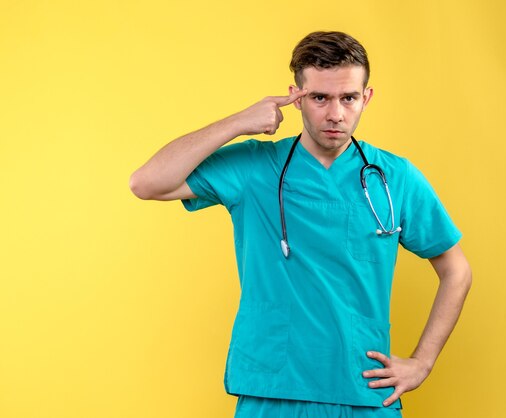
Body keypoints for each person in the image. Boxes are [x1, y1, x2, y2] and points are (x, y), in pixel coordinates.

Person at [130, 31, 472, 418]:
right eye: (319, 98)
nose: (335, 114)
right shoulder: (254, 167)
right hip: (272, 391)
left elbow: (456, 270)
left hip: (362, 390)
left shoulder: (394, 179)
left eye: (349, 98)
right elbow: (146, 182)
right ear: (296, 96)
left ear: (367, 97)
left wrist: (422, 362)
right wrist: (240, 122)